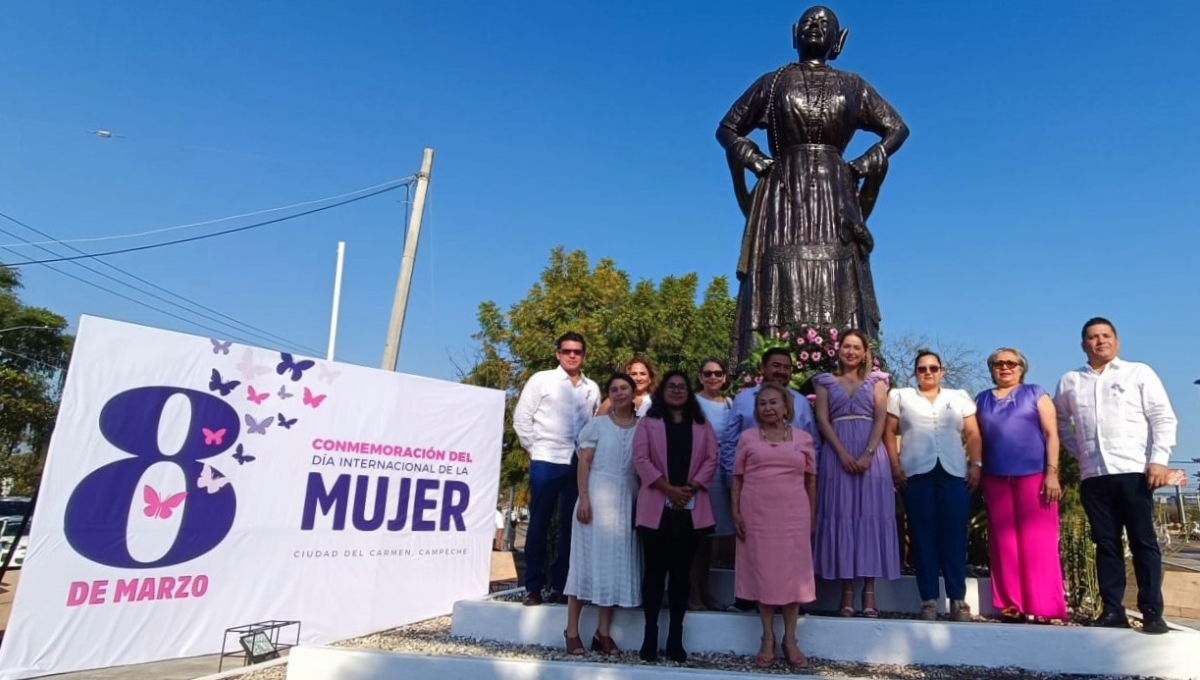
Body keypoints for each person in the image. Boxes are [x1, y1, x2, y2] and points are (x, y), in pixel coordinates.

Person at [716, 5, 909, 370]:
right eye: (808, 22)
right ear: (794, 33)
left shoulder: (854, 85)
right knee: (778, 265)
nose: (816, 27)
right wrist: (751, 155)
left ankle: (846, 365)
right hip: (783, 186)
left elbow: (897, 128)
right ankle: (766, 366)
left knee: (840, 266)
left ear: (839, 40)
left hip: (837, 186)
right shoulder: (772, 83)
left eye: (825, 24)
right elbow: (727, 128)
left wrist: (869, 160)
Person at [1054, 318, 1177, 634]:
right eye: (1093, 337)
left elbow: (1163, 417)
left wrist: (1159, 460)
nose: (1100, 342)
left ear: (1117, 341)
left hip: (1134, 471)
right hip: (1094, 475)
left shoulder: (1139, 373)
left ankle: (1151, 612)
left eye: (1106, 335)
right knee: (1106, 544)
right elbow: (1058, 420)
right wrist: (1079, 453)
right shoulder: (1070, 381)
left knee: (1143, 543)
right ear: (1084, 345)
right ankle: (1113, 611)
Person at [883, 350, 982, 622]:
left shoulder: (958, 397)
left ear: (942, 371)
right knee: (922, 535)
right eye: (922, 369)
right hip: (915, 472)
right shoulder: (901, 396)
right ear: (915, 372)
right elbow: (889, 433)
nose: (928, 373)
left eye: (933, 368)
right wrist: (894, 465)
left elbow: (973, 433)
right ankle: (928, 598)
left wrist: (976, 464)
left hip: (953, 472)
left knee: (955, 535)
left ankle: (957, 598)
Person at [721, 346, 821, 610]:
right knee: (754, 547)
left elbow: (814, 444)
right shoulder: (743, 399)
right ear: (763, 368)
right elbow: (730, 442)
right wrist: (736, 481)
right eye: (776, 365)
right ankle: (748, 599)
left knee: (790, 549)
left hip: (791, 491)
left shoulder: (800, 401)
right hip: (753, 488)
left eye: (786, 367)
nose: (781, 371)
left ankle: (792, 597)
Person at [974, 347, 1067, 623]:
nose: (1005, 367)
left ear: (1021, 367)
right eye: (998, 363)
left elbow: (1052, 435)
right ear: (991, 368)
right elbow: (975, 438)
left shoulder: (1036, 393)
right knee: (1005, 543)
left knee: (1039, 542)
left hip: (1035, 477)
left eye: (1011, 363)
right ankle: (1010, 604)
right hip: (996, 478)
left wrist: (1052, 473)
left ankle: (1043, 606)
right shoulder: (981, 400)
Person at [633, 371, 719, 663]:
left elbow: (712, 458)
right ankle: (650, 636)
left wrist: (691, 489)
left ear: (689, 393)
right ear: (663, 391)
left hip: (691, 509)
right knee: (655, 575)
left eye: (683, 387)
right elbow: (641, 459)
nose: (677, 390)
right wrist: (668, 489)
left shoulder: (701, 425)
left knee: (682, 577)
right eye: (672, 386)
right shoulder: (648, 423)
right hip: (656, 508)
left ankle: (675, 639)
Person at [812, 329, 899, 618]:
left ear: (865, 353)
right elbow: (823, 420)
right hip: (836, 455)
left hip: (871, 456)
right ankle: (847, 591)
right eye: (846, 346)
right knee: (842, 515)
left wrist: (868, 453)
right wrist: (842, 454)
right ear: (839, 350)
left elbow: (880, 418)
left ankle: (869, 592)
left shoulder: (877, 381)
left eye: (856, 347)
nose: (851, 351)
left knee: (870, 518)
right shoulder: (824, 381)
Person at [732, 382, 817, 669]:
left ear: (785, 407)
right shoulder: (747, 438)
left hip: (794, 515)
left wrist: (812, 516)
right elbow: (737, 479)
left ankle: (790, 640)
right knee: (765, 575)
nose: (768, 408)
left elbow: (811, 480)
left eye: (773, 403)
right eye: (762, 404)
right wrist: (735, 513)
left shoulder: (803, 439)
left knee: (793, 576)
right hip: (757, 515)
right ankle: (767, 638)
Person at [512, 332, 600, 606]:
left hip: (577, 463)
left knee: (570, 527)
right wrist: (535, 449)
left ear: (584, 355)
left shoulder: (592, 388)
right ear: (558, 353)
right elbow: (522, 419)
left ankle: (561, 586)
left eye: (577, 351)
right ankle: (534, 586)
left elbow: (594, 423)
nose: (572, 355)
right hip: (547, 458)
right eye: (567, 351)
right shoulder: (542, 379)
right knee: (538, 523)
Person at [563, 373, 643, 656]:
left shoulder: (642, 428)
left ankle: (603, 632)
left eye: (624, 388)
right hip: (595, 497)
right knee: (585, 563)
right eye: (614, 389)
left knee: (612, 566)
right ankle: (572, 631)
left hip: (625, 502)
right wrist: (583, 498)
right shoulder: (597, 425)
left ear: (634, 393)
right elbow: (583, 463)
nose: (620, 393)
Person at [690, 358, 734, 611]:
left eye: (718, 373)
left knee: (711, 536)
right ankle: (694, 593)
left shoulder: (730, 403)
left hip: (722, 470)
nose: (713, 377)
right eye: (708, 373)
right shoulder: (693, 402)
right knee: (697, 536)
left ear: (725, 377)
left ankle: (705, 592)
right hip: (699, 470)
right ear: (700, 376)